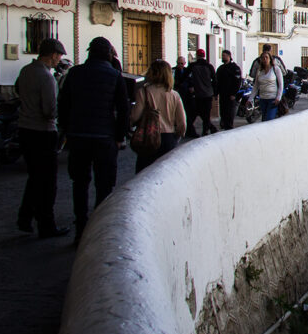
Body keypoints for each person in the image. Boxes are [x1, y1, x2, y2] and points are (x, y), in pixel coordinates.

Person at [58, 36, 129, 243]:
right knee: (104, 186)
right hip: (104, 138)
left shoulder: (75, 73)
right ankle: (99, 232)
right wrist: (119, 136)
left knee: (79, 184)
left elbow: (63, 104)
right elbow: (123, 110)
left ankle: (80, 228)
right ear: (108, 53)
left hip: (78, 137)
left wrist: (68, 130)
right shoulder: (115, 76)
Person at [15, 38, 69, 238]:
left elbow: (17, 89)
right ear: (52, 54)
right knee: (47, 182)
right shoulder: (47, 77)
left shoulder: (26, 71)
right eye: (59, 56)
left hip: (25, 129)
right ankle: (46, 225)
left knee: (35, 177)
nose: (59, 59)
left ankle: (25, 218)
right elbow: (49, 110)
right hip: (43, 132)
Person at [130, 59, 186, 173]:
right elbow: (182, 123)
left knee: (143, 174)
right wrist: (177, 136)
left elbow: (134, 117)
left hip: (148, 138)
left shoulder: (143, 92)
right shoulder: (174, 95)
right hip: (168, 138)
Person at [186, 49, 217, 136]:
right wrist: (215, 93)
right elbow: (214, 80)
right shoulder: (209, 66)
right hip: (208, 94)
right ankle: (206, 130)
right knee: (206, 114)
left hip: (197, 94)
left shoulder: (193, 66)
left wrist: (190, 86)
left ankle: (190, 130)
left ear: (197, 55)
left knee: (195, 113)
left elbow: (186, 77)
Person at [215, 50, 242, 130]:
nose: (223, 57)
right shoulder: (221, 68)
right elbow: (217, 82)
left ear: (229, 56)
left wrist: (233, 94)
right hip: (222, 95)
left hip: (231, 96)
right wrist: (216, 93)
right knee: (223, 113)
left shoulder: (234, 68)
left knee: (229, 113)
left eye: (224, 55)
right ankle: (224, 125)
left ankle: (229, 127)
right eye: (222, 55)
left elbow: (237, 82)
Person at [253, 53, 283, 121]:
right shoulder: (260, 70)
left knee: (269, 119)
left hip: (272, 99)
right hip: (263, 98)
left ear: (270, 59)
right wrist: (250, 99)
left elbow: (281, 84)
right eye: (263, 58)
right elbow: (256, 86)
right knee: (264, 119)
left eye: (266, 57)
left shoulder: (275, 69)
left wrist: (278, 97)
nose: (265, 59)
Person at [174, 56, 194, 136]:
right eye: (178, 63)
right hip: (178, 95)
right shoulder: (174, 71)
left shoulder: (187, 71)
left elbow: (191, 80)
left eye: (182, 63)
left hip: (187, 96)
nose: (180, 65)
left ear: (185, 63)